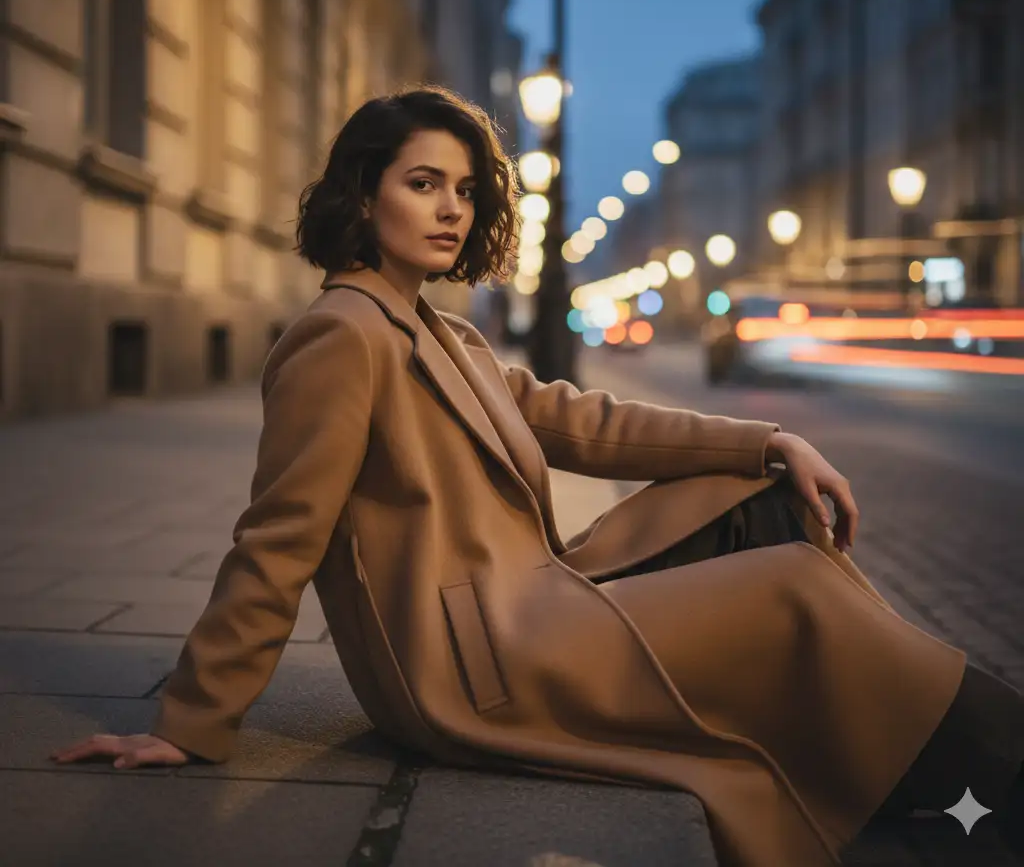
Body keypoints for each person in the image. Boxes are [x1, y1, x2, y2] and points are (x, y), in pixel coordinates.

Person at [52, 88, 1024, 866]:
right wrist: (190, 718)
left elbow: (581, 420)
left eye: (466, 190)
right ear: (361, 195)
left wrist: (766, 439)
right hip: (479, 665)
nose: (449, 208)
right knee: (798, 587)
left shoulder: (439, 329)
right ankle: (969, 781)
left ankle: (912, 770)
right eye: (423, 183)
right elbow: (279, 535)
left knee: (758, 497)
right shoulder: (341, 335)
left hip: (536, 609)